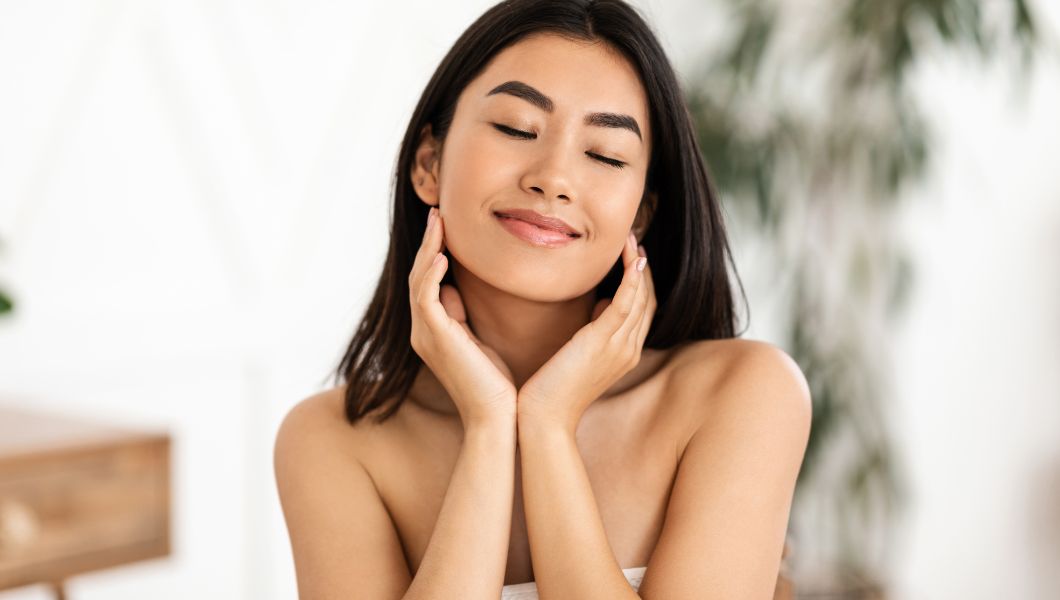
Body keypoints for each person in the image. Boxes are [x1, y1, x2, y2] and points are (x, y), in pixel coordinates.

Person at [274, 1, 811, 598]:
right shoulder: (331, 441)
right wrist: (488, 426)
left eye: (605, 155)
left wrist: (549, 424)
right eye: (515, 128)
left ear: (641, 215)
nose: (554, 177)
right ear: (429, 163)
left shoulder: (742, 393)